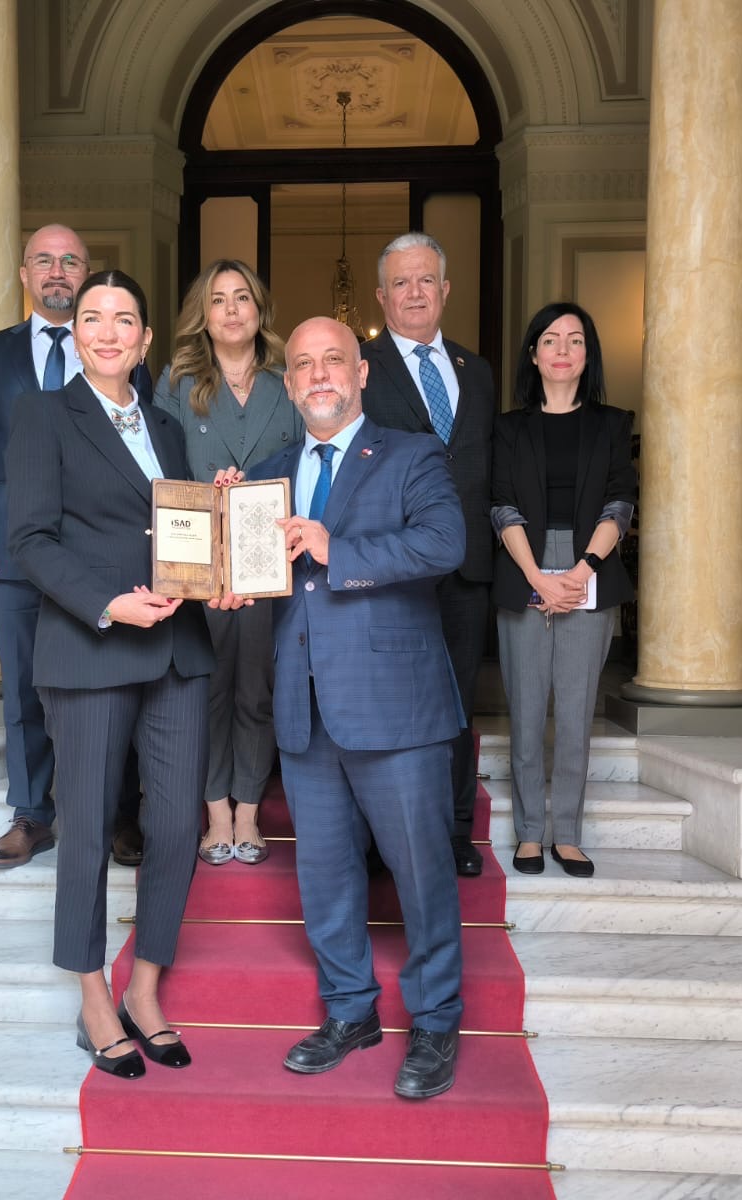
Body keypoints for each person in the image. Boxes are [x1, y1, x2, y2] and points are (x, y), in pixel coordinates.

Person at [244, 316, 467, 1101]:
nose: (318, 375)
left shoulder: (412, 453)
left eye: (333, 359)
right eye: (303, 364)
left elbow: (444, 544)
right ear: (287, 383)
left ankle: (436, 1021)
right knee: (325, 874)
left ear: (361, 372)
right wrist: (224, 563)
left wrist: (337, 549)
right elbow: (257, 577)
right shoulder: (267, 474)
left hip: (396, 707)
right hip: (304, 708)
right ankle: (350, 1010)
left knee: (421, 873)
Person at [6, 270, 214, 1078]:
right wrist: (106, 603)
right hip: (89, 648)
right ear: (75, 332)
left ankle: (146, 988)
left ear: (146, 338)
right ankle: (94, 998)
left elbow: (181, 532)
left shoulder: (166, 425)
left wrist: (223, 538)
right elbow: (30, 538)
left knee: (177, 826)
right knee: (88, 828)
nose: (106, 331)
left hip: (176, 649)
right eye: (92, 318)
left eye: (124, 319)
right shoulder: (42, 415)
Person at [0, 225, 151, 871]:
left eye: (70, 261)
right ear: (24, 273)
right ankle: (32, 814)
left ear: (86, 273)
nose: (57, 271)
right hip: (13, 549)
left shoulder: (121, 354)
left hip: (102, 553)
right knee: (24, 688)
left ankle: (121, 812)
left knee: (119, 679)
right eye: (44, 260)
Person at [154, 260, 301, 866]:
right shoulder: (176, 381)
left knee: (257, 690)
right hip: (200, 565)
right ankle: (216, 812)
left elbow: (307, 460)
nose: (232, 309)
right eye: (219, 300)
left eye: (243, 297)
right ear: (204, 314)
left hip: (270, 560)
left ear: (259, 309)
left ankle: (248, 811)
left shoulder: (288, 379)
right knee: (207, 689)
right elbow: (158, 467)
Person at [361, 232, 496, 878]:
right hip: (393, 566)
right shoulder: (360, 367)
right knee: (390, 703)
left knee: (457, 704)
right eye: (401, 283)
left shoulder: (478, 371)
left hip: (466, 567)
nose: (414, 293)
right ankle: (382, 839)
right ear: (381, 295)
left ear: (444, 290)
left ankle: (454, 830)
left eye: (425, 281)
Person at [490, 301, 637, 877]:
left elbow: (619, 502)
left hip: (588, 567)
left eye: (575, 340)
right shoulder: (508, 427)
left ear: (587, 354)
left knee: (576, 710)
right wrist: (536, 577)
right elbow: (501, 504)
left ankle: (568, 835)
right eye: (550, 339)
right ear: (534, 354)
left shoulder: (612, 423)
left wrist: (581, 571)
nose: (562, 350)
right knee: (526, 707)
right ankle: (530, 833)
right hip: (523, 563)